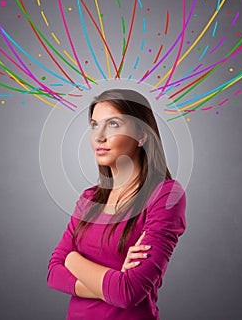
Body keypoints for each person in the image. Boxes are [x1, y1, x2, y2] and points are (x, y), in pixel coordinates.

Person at [47, 89, 187, 320]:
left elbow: (127, 293)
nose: (98, 136)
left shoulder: (165, 195)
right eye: (94, 125)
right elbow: (54, 272)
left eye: (113, 124)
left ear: (142, 136)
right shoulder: (89, 199)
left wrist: (72, 260)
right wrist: (109, 282)